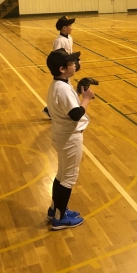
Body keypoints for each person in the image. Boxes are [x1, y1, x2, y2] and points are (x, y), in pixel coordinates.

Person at [46, 48, 94, 230]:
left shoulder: (58, 85)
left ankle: (55, 209)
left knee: (61, 175)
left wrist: (78, 91)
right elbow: (75, 114)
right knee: (68, 178)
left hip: (60, 136)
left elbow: (66, 104)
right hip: (69, 139)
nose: (75, 65)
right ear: (62, 69)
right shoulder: (63, 89)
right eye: (71, 63)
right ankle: (59, 218)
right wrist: (86, 98)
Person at [43, 16, 78, 119]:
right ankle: (50, 109)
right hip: (63, 70)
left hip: (68, 68)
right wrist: (65, 68)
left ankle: (52, 109)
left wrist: (75, 62)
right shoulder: (59, 41)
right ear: (64, 28)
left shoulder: (70, 38)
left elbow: (69, 53)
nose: (72, 27)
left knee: (68, 88)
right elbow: (58, 56)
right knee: (65, 89)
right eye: (70, 25)